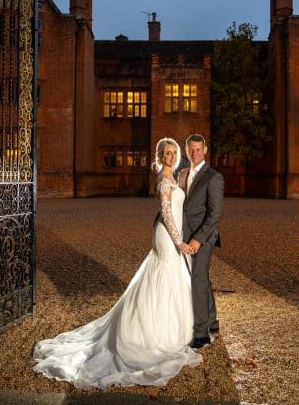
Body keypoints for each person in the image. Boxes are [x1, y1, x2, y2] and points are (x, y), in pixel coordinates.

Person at [32, 138, 202, 389]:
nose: (170, 156)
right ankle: (153, 333)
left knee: (172, 276)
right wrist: (179, 242)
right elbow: (166, 215)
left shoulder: (175, 177)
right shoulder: (165, 180)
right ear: (159, 155)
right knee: (163, 274)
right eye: (166, 153)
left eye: (173, 153)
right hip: (168, 236)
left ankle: (176, 328)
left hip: (174, 233)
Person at [177, 134, 224, 349]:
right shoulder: (183, 174)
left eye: (198, 149)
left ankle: (201, 333)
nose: (194, 153)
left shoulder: (214, 177)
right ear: (186, 151)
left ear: (205, 150)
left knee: (197, 279)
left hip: (203, 236)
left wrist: (197, 239)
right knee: (202, 278)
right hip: (186, 234)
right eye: (191, 150)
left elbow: (214, 214)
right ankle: (213, 321)